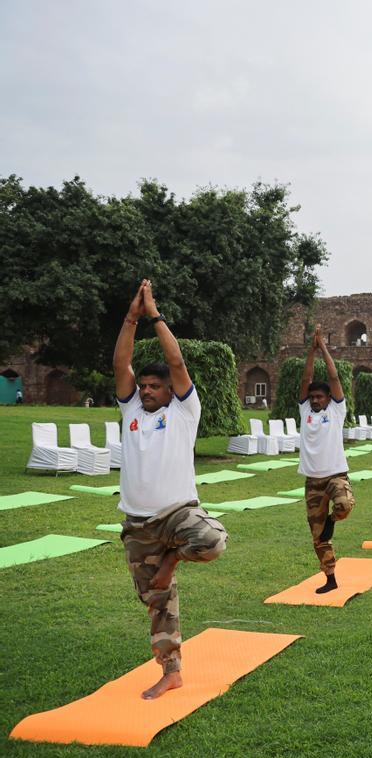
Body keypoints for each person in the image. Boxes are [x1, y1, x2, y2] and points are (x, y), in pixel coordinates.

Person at [113, 280, 227, 700]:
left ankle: (173, 561)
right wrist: (130, 318)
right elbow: (119, 361)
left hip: (178, 515)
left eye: (153, 387)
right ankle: (171, 670)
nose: (145, 391)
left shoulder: (183, 411)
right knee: (155, 601)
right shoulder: (131, 411)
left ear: (168, 391)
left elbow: (176, 363)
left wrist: (155, 316)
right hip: (138, 524)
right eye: (142, 386)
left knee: (212, 540)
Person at [298, 326, 355, 594]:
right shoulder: (304, 410)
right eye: (313, 397)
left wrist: (323, 349)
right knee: (318, 537)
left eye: (320, 397)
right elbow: (307, 377)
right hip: (313, 482)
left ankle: (334, 517)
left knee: (344, 505)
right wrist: (310, 351)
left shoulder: (336, 410)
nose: (316, 400)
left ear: (329, 399)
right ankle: (330, 578)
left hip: (335, 476)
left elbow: (333, 376)